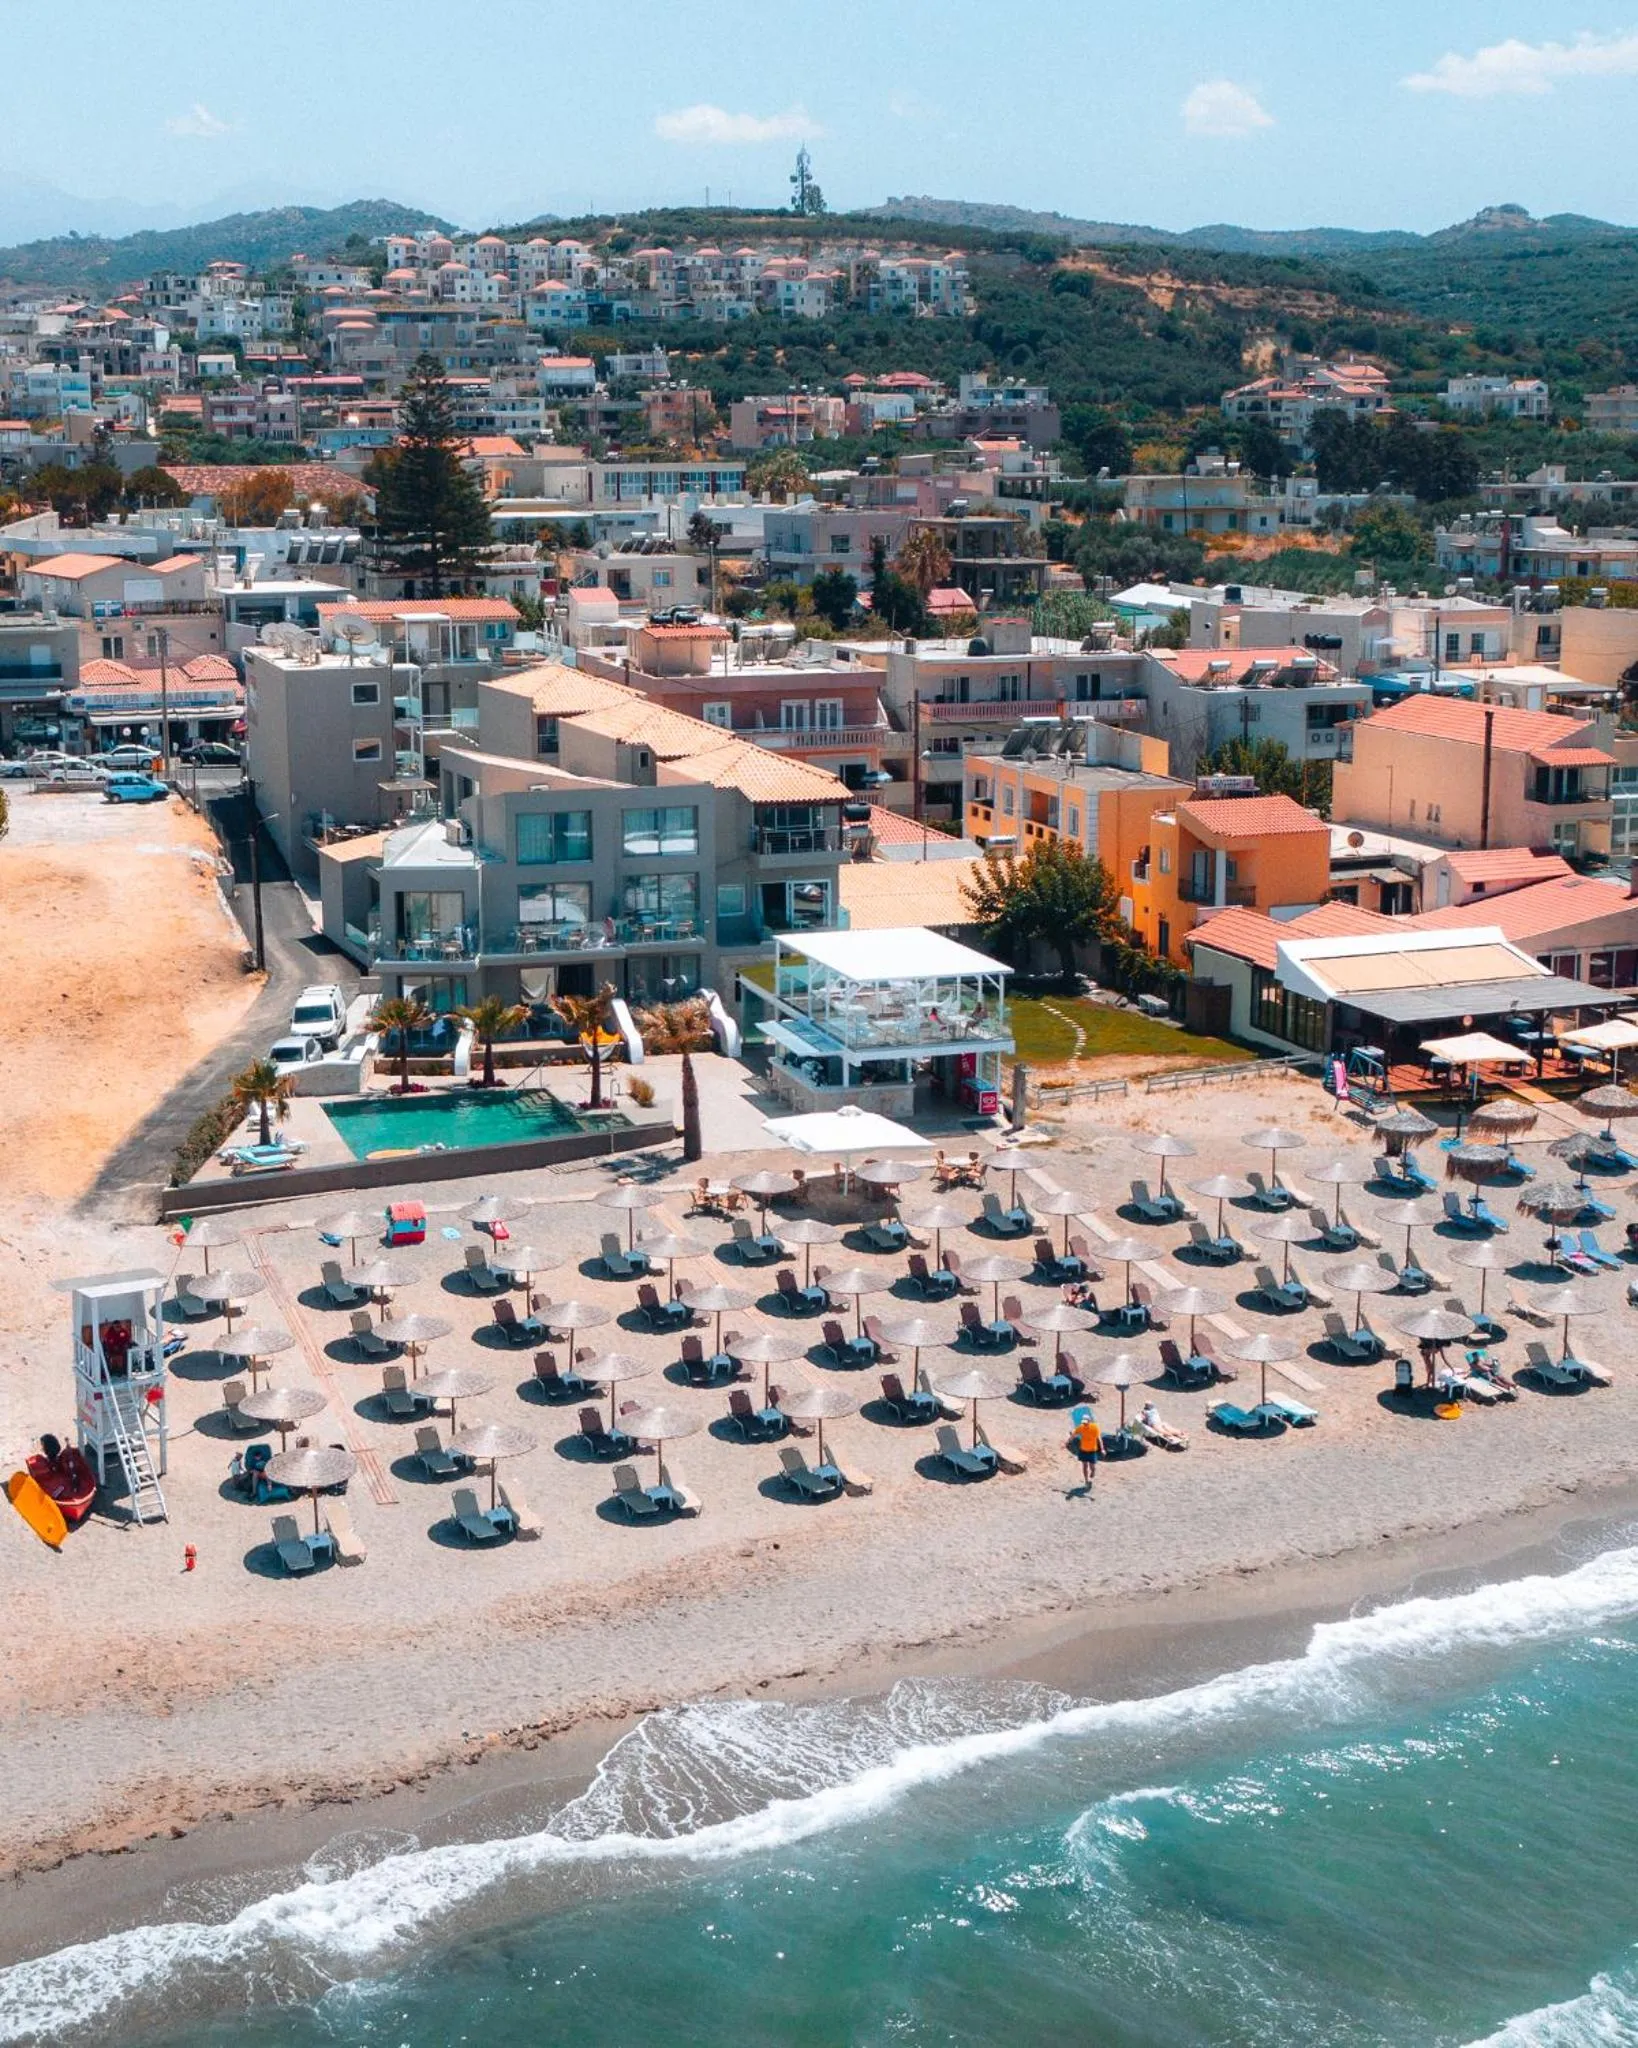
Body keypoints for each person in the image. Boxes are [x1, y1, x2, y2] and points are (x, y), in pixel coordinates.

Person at [1070, 1411, 1102, 1496]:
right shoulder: (1081, 1427)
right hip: (1083, 1450)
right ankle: (1086, 1481)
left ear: (1089, 1421)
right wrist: (1067, 1442)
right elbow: (1073, 1434)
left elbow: (1099, 1438)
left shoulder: (1095, 1427)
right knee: (1084, 1466)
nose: (1084, 1424)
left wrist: (1102, 1449)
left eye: (1086, 1422)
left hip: (1092, 1450)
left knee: (1092, 1467)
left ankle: (1093, 1472)